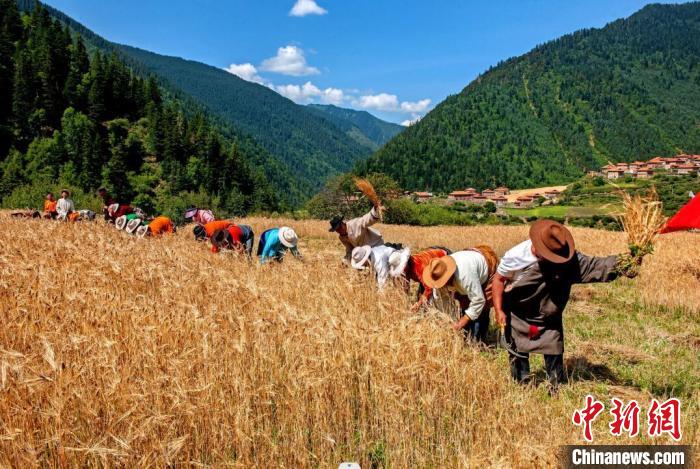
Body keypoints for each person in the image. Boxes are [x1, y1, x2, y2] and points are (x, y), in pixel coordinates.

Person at [492, 219, 640, 391]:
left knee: (553, 347)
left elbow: (595, 266)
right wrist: (499, 310)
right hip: (519, 313)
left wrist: (625, 263)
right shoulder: (515, 256)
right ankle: (522, 384)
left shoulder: (565, 259)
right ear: (537, 246)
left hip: (548, 315)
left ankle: (555, 386)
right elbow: (498, 280)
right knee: (517, 348)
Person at [422, 246, 499, 342]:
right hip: (469, 266)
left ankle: (478, 341)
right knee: (465, 305)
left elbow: (479, 300)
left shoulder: (464, 276)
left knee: (481, 312)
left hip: (486, 268)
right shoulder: (437, 275)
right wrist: (448, 320)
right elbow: (442, 301)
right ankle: (467, 335)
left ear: (449, 276)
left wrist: (461, 322)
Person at [392, 247, 452, 312]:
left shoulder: (419, 267)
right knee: (421, 297)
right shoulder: (407, 267)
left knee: (437, 297)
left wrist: (418, 304)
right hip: (428, 265)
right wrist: (405, 301)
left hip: (443, 259)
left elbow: (429, 288)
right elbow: (405, 284)